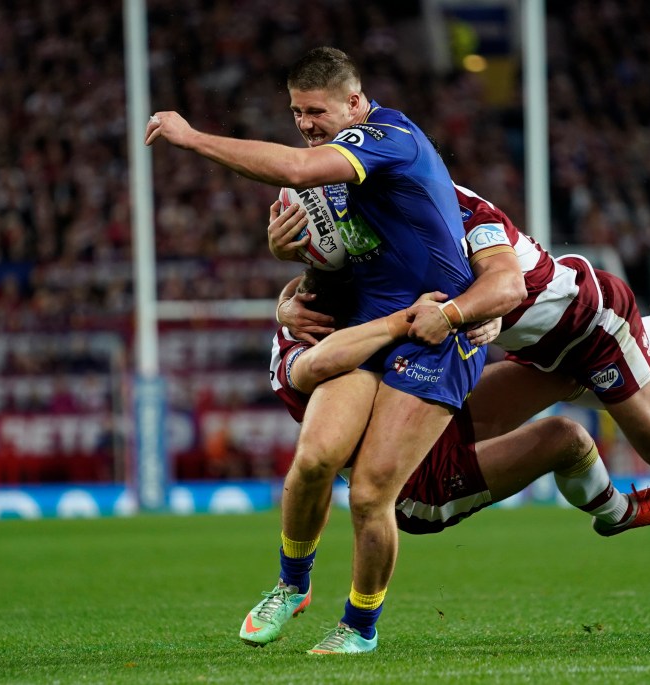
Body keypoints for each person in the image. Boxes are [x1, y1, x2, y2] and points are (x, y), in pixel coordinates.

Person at [147, 47, 526, 654]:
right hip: (369, 324)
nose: (304, 124)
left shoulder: (389, 139)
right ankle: (290, 585)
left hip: (434, 332)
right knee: (314, 459)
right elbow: (336, 257)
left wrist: (191, 138)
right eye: (296, 112)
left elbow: (298, 169)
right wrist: (289, 261)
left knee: (372, 493)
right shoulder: (340, 178)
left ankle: (359, 627)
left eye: (315, 112)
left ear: (354, 102)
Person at [271, 182, 650, 574]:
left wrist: (475, 312)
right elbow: (339, 288)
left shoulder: (454, 225)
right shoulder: (383, 252)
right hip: (421, 472)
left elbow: (502, 286)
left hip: (586, 327)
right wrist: (286, 275)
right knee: (569, 433)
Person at [240, 267, 650, 648]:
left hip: (430, 415)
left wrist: (486, 314)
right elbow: (317, 365)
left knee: (562, 366)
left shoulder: (363, 301)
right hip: (420, 482)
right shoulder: (299, 349)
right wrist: (403, 320)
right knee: (566, 438)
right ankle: (617, 511)